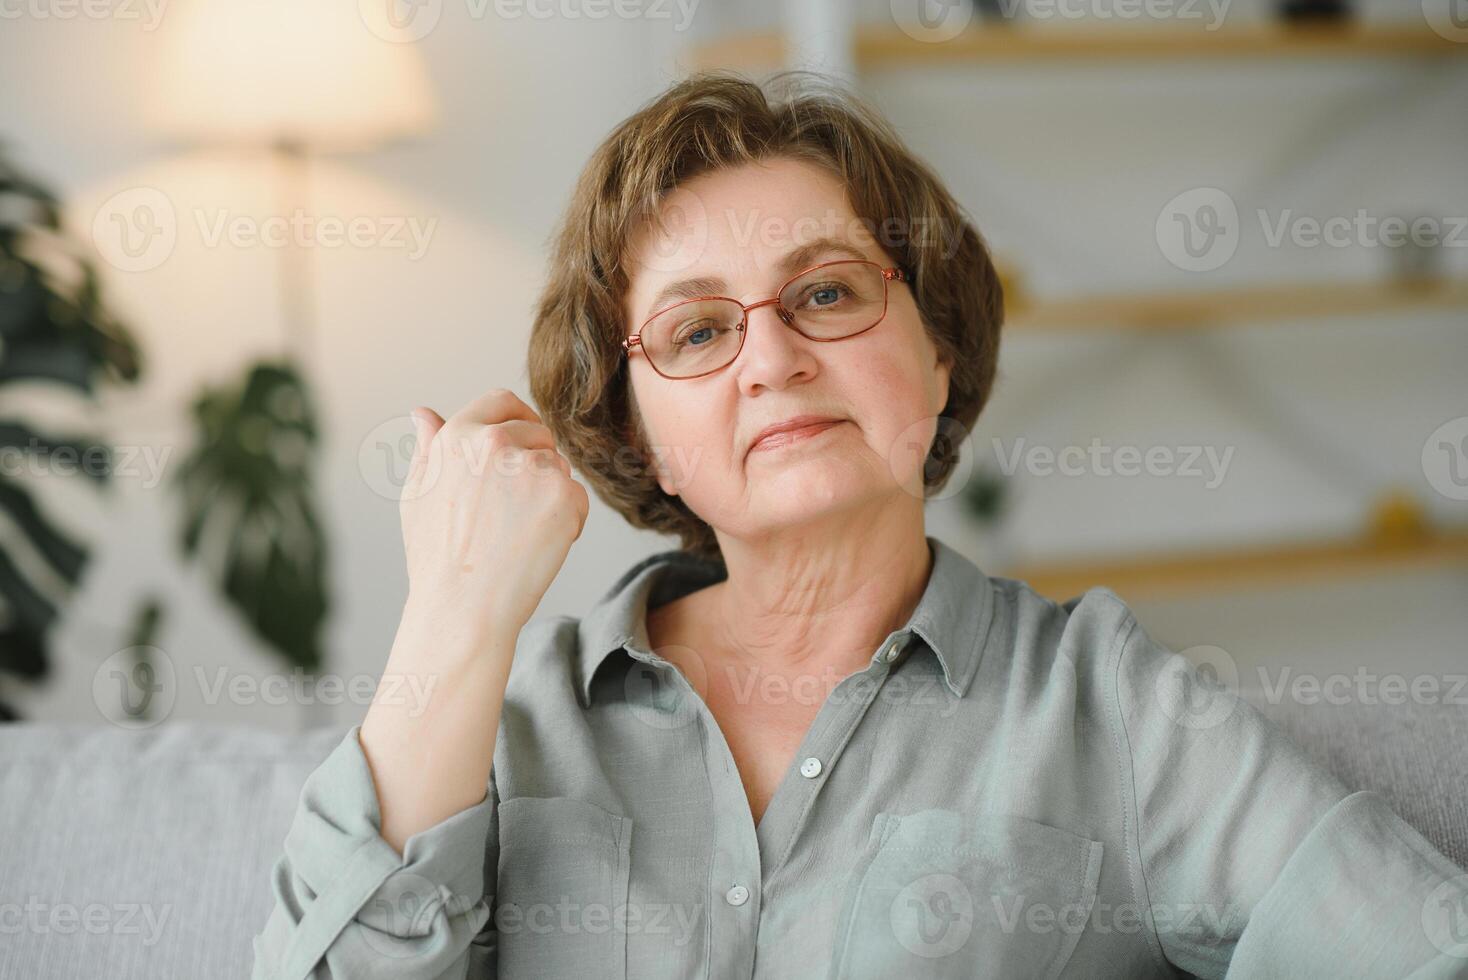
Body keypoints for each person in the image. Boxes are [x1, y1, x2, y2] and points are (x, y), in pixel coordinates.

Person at [251, 71, 1468, 979]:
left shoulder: (1116, 709)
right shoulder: (506, 727)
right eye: (696, 331)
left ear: (935, 350)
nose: (771, 356)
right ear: (638, 434)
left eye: (825, 291)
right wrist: (454, 616)